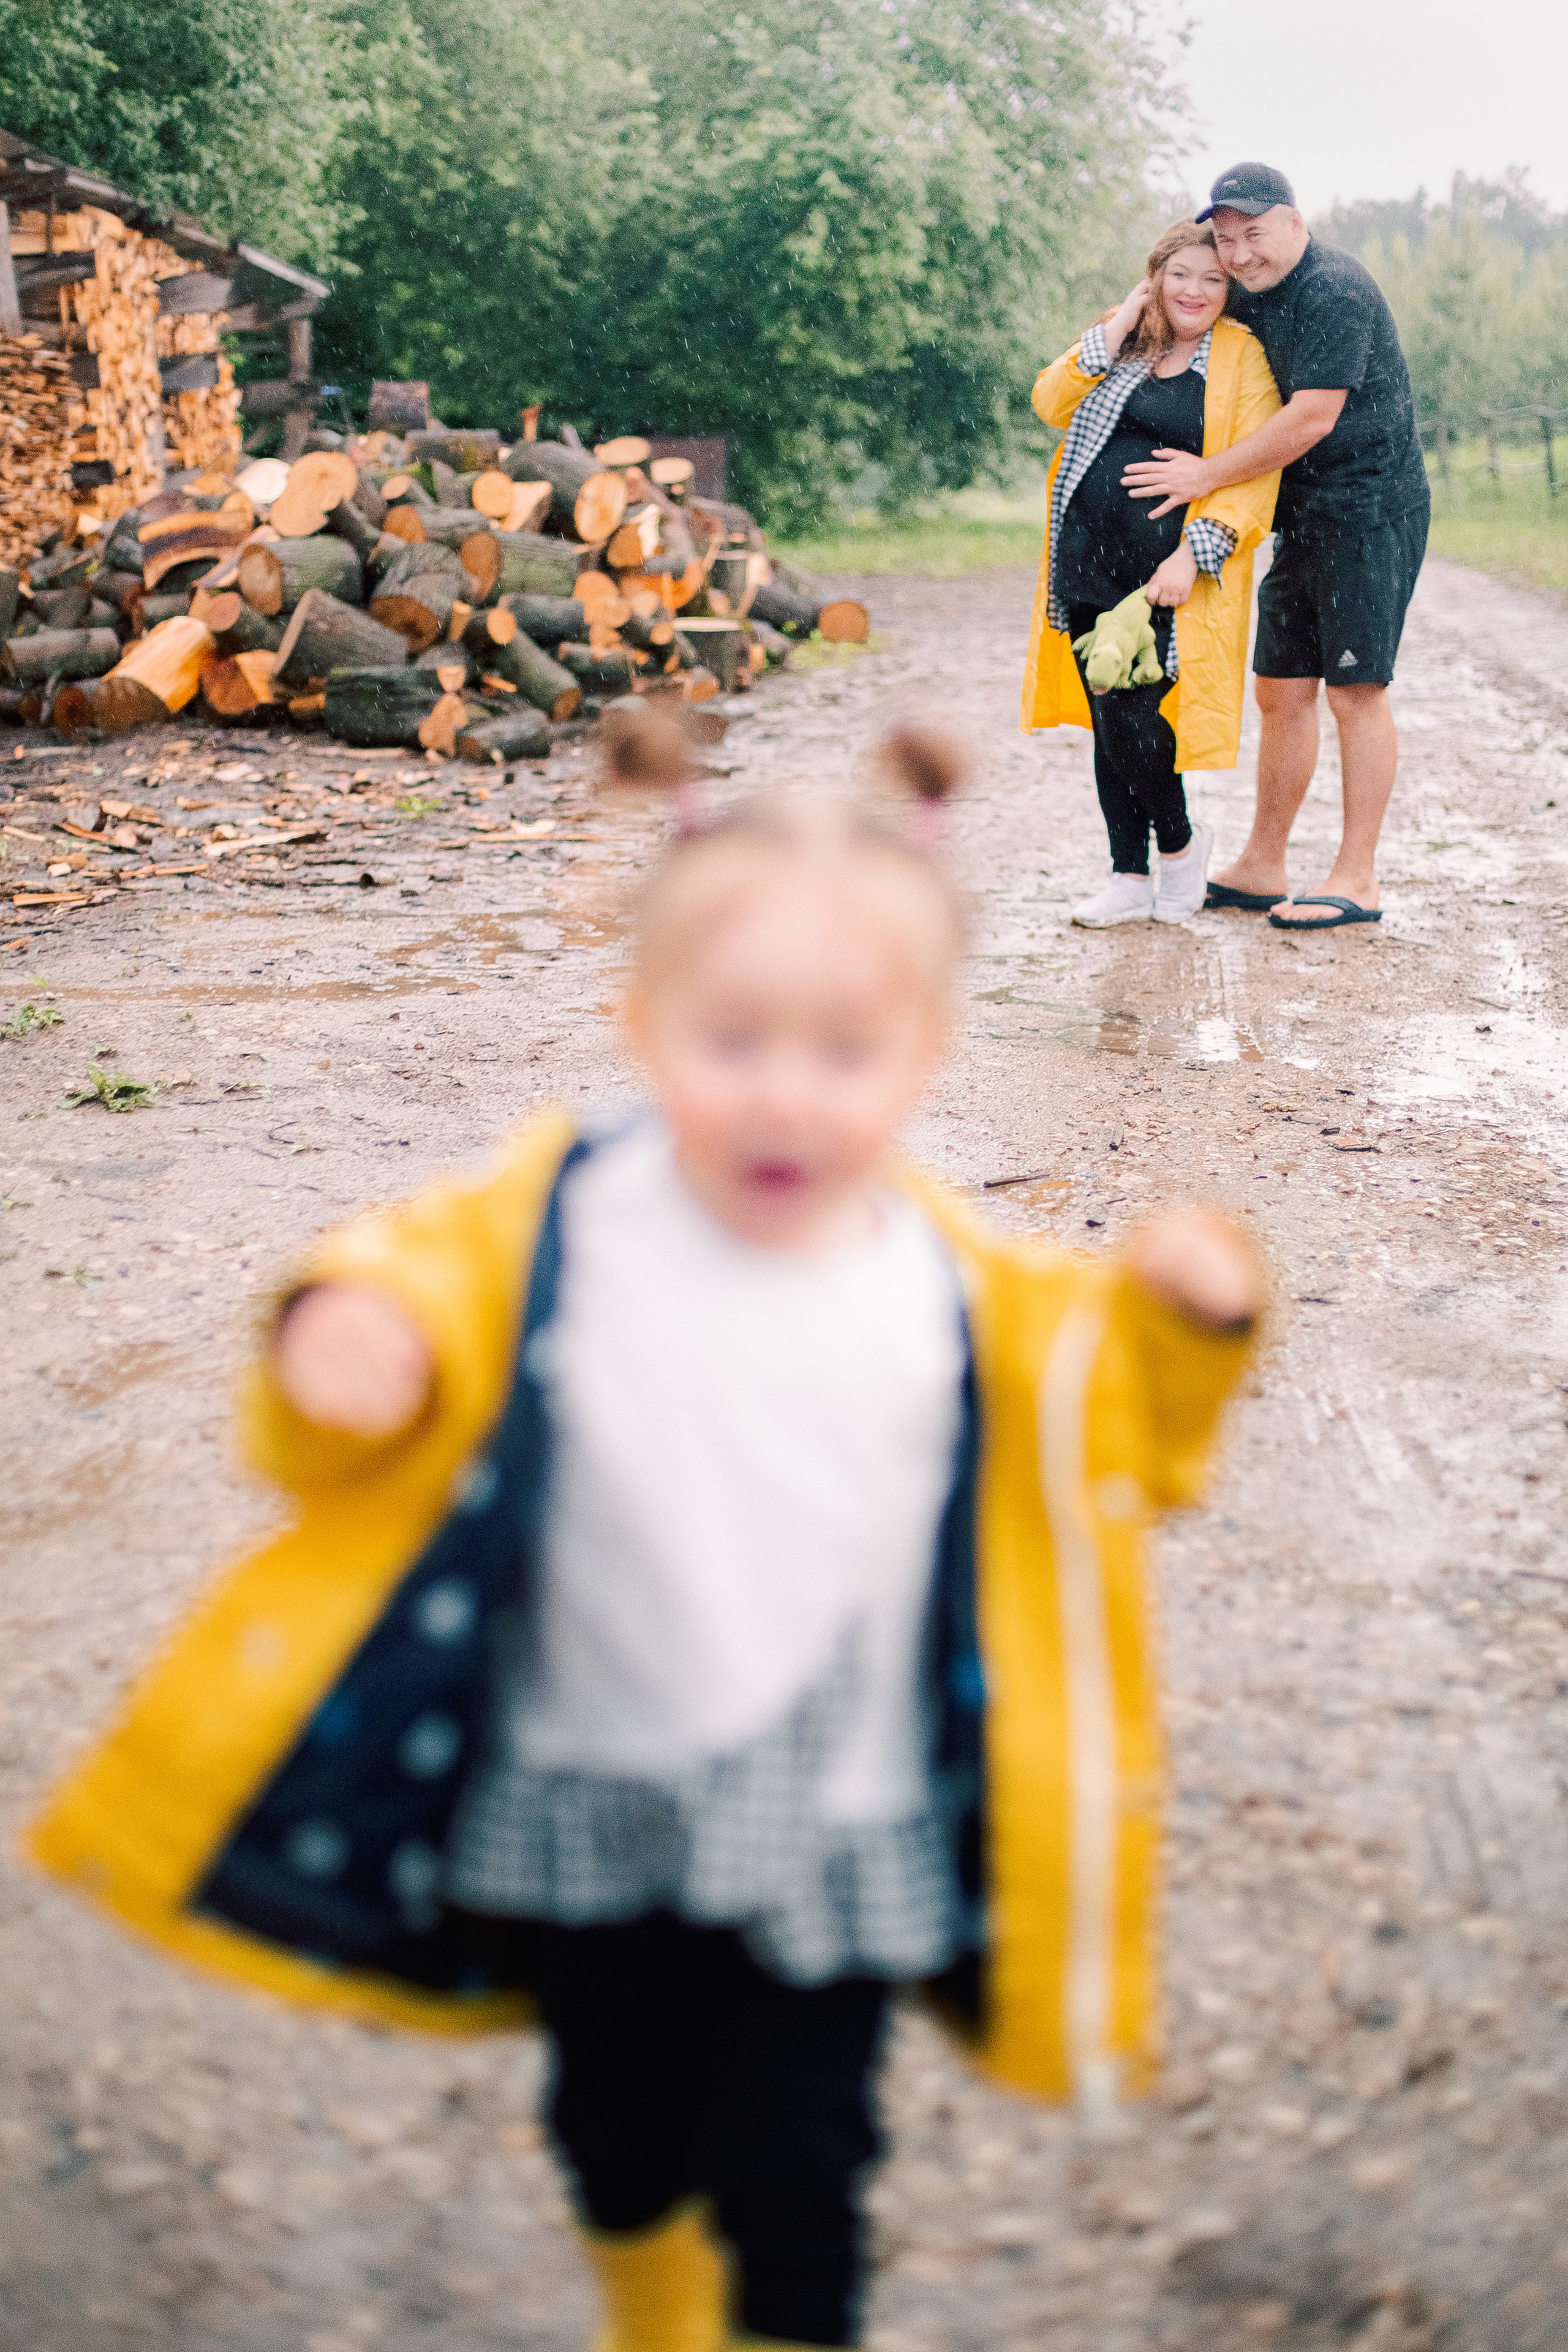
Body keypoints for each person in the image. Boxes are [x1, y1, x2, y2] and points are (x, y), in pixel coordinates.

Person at [28, 718, 1264, 2352]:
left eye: (845, 1053)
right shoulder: (556, 1217)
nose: (783, 1095)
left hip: (834, 1808)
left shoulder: (966, 1295)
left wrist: (1190, 1322)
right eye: (730, 1040)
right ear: (639, 1027)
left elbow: (1121, 1440)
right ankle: (653, 2306)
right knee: (617, 2130)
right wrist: (342, 1338)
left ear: (925, 1055)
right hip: (584, 1771)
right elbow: (395, 1282)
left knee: (802, 2164)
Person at [1122, 162, 1431, 931]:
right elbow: (1183, 316)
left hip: (1368, 509)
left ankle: (1355, 878)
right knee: (1280, 689)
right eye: (1226, 240)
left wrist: (1204, 477)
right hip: (1301, 515)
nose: (1239, 254)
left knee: (1355, 691)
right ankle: (1263, 864)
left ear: (1294, 222)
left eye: (1252, 234)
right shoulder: (1247, 295)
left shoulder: (1335, 289)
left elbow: (1308, 421)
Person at [1021, 217, 1281, 927]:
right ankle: (1127, 876)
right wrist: (1123, 321)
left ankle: (1179, 846)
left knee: (1136, 717)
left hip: (1161, 573)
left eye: (1213, 279)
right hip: (1082, 558)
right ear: (1154, 277)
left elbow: (1255, 474)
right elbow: (1049, 401)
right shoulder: (1121, 341)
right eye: (1179, 275)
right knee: (1109, 719)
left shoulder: (1242, 359)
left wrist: (1188, 557)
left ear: (1230, 290)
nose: (1194, 291)